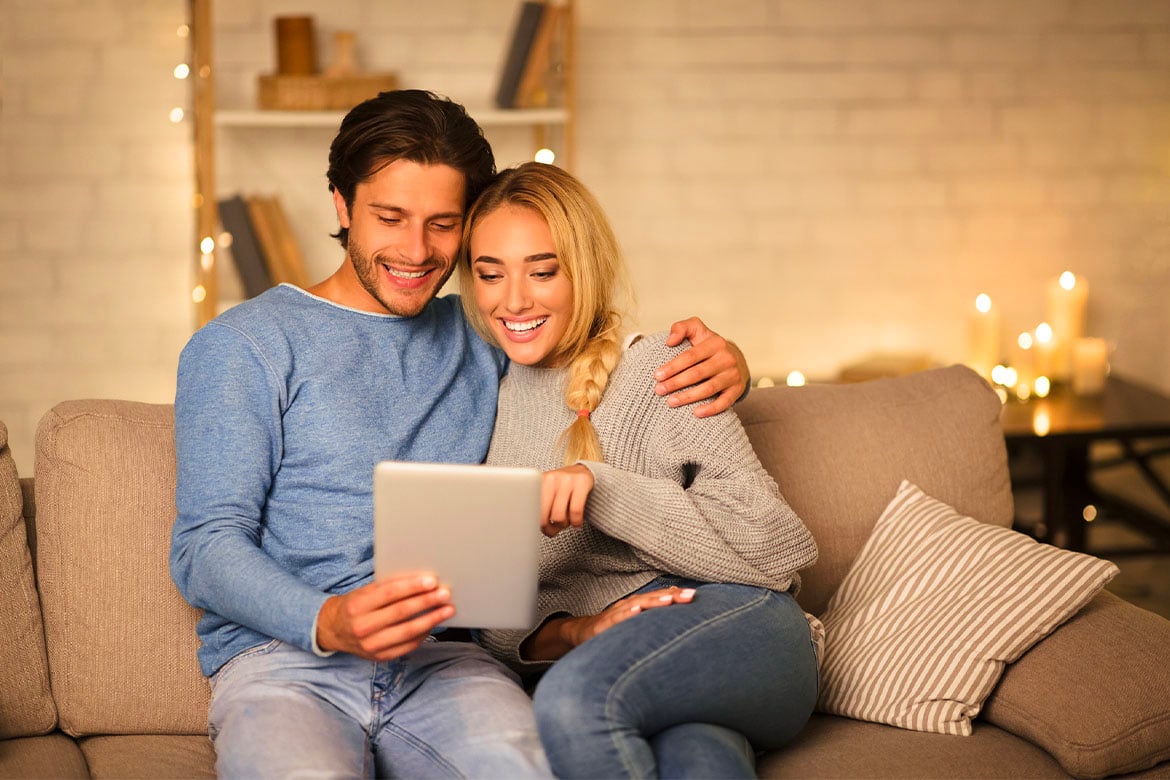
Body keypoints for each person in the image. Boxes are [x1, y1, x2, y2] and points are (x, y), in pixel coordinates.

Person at [169, 89, 750, 778]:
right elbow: (204, 547)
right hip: (286, 664)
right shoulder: (242, 345)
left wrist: (727, 361)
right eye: (391, 217)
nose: (416, 251)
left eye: (443, 224)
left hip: (449, 665)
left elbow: (594, 350)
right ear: (341, 205)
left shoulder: (484, 333)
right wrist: (328, 620)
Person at [460, 161, 822, 779]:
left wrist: (603, 489)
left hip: (743, 625)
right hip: (630, 661)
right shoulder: (483, 391)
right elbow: (494, 627)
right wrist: (581, 631)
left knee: (576, 702)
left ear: (586, 269)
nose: (513, 300)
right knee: (699, 762)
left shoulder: (661, 370)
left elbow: (779, 557)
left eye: (542, 271)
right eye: (490, 274)